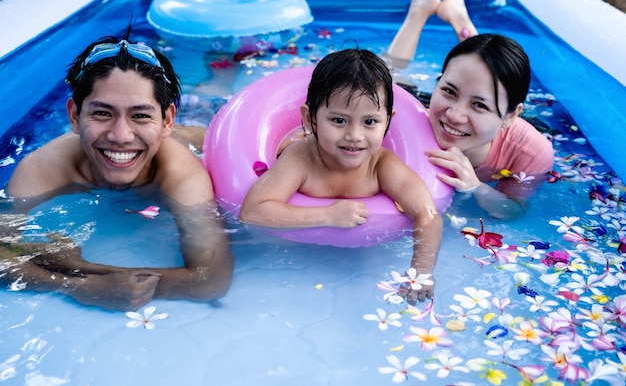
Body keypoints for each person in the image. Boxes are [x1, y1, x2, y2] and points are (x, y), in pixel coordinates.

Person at [2, 30, 234, 311]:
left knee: (211, 99)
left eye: (140, 115)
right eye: (102, 113)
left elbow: (211, 281)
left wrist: (77, 267)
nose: (120, 135)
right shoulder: (41, 169)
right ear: (75, 116)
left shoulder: (183, 175)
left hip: (198, 136)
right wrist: (75, 284)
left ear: (167, 120)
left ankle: (221, 70)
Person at [239, 49, 443, 303]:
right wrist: (327, 215)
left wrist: (421, 271)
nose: (354, 135)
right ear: (310, 118)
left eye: (370, 122)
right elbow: (253, 211)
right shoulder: (301, 158)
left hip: (350, 264)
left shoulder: (381, 165)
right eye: (339, 120)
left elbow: (428, 216)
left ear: (388, 122)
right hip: (298, 260)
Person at [385, 0, 554, 220]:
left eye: (479, 105)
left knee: (489, 76)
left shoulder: (531, 153)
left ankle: (456, 16)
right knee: (389, 76)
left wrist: (477, 187)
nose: (453, 115)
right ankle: (421, 11)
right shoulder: (411, 114)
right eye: (448, 90)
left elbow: (513, 211)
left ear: (511, 115)